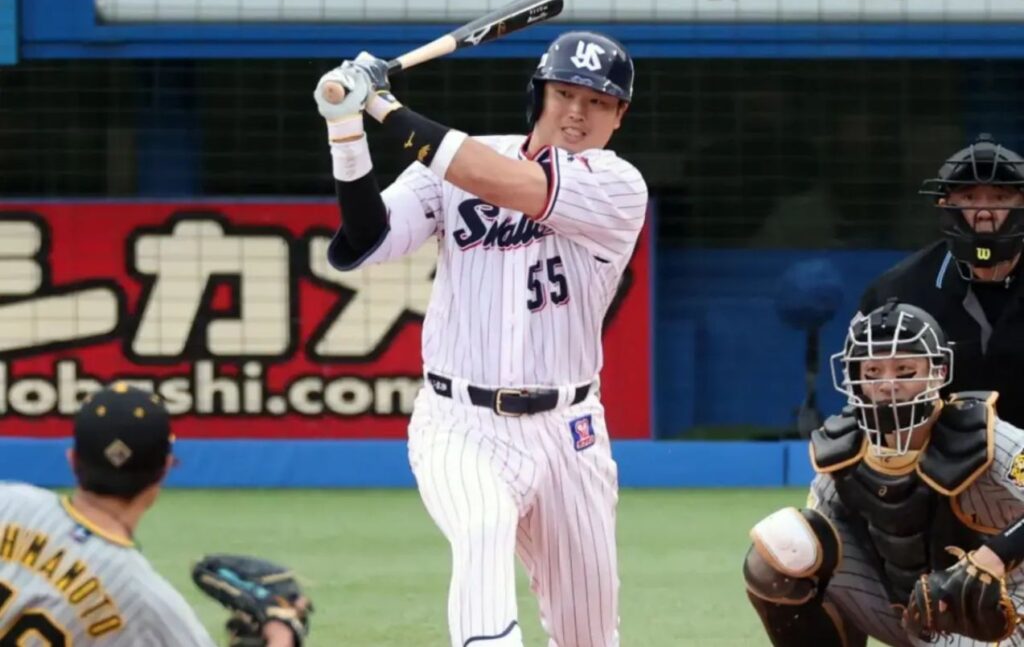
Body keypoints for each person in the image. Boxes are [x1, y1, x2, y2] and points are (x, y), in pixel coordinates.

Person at [313, 31, 648, 647]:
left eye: (598, 101)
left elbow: (513, 186)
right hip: (459, 422)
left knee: (589, 636)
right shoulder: (456, 164)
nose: (577, 112)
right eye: (564, 93)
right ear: (538, 95)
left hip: (569, 431)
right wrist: (346, 131)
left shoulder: (617, 185)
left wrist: (382, 106)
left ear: (619, 115)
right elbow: (367, 239)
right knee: (482, 529)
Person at [743, 300, 1024, 646]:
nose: (888, 385)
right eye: (873, 372)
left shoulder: (983, 437)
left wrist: (992, 559)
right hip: (904, 614)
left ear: (937, 371)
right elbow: (816, 540)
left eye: (905, 371)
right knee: (785, 547)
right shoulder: (844, 448)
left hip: (1005, 616)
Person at [0, 382, 302, 646]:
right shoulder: (145, 601)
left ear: (72, 459)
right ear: (166, 468)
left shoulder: (8, 502)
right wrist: (282, 631)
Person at [860, 133, 1024, 426]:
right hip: (938, 461)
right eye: (969, 198)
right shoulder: (898, 291)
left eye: (1000, 197)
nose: (984, 214)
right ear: (945, 204)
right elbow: (868, 395)